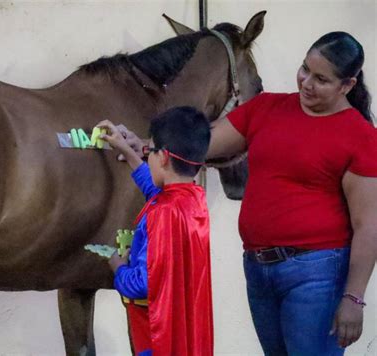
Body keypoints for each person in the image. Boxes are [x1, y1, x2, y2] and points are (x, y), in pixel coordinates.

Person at [118, 32, 377, 355]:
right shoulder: (268, 107)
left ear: (347, 86)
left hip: (316, 273)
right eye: (305, 69)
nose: (307, 82)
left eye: (321, 79)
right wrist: (144, 145)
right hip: (258, 268)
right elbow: (199, 143)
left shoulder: (360, 137)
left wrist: (354, 298)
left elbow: (368, 225)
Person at [97, 106, 213, 356]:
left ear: (163, 157)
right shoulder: (193, 200)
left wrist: (118, 266)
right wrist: (129, 153)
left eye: (149, 150)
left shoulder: (162, 215)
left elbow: (143, 284)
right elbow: (156, 191)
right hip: (185, 334)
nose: (146, 155)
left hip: (158, 336)